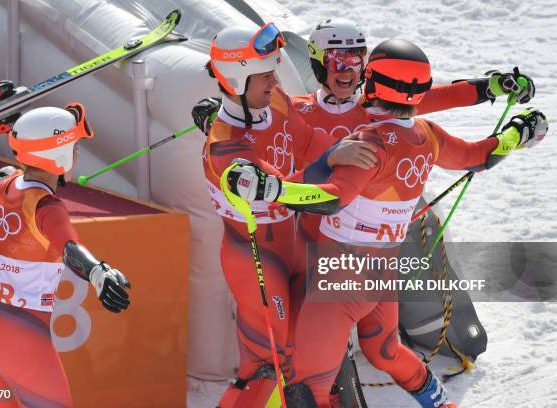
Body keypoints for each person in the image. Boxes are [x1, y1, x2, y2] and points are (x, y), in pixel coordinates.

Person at [224, 39, 548, 407]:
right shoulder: (429, 135)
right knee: (384, 349)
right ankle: (442, 403)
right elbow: (477, 156)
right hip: (382, 269)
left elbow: (330, 198)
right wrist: (516, 133)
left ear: (372, 82)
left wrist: (273, 188)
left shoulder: (368, 142)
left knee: (305, 385)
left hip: (342, 274)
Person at [201, 23, 377, 406]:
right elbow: (286, 191)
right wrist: (334, 164)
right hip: (256, 262)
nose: (275, 80)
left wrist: (345, 154)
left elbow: (307, 140)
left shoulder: (274, 101)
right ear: (235, 80)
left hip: (292, 248)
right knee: (270, 359)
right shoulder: (224, 150)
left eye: (274, 70)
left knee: (306, 351)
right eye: (265, 75)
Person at [0, 103, 131, 407]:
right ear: (58, 155)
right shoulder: (47, 207)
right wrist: (98, 273)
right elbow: (70, 248)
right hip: (19, 335)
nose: (77, 154)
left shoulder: (6, 184)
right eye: (74, 146)